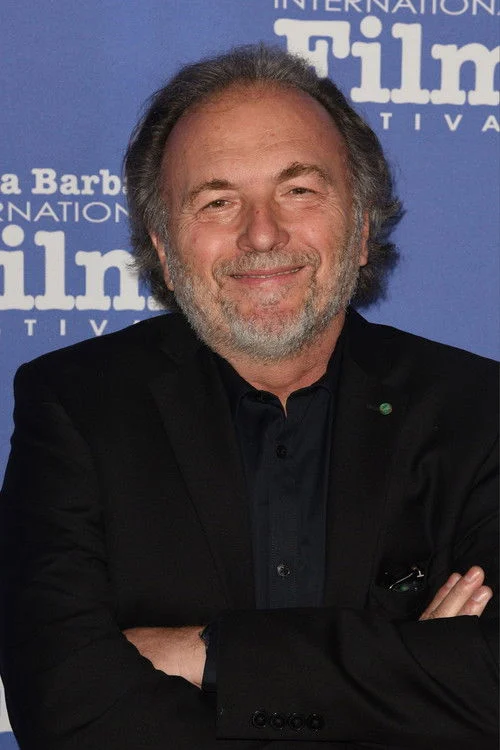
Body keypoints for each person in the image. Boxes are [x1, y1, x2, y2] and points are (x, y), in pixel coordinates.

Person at [0, 44, 497, 750]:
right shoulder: (75, 406)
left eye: (299, 191)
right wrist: (410, 673)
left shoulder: (480, 410)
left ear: (361, 228)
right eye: (218, 201)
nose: (262, 234)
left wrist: (209, 655)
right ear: (164, 250)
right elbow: (63, 703)